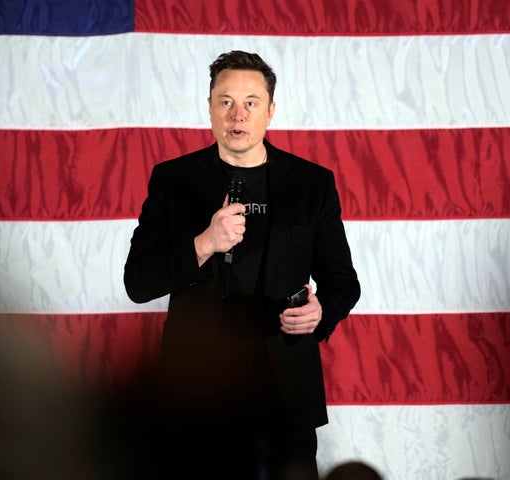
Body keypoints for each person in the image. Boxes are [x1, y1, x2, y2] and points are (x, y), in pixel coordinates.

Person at [123, 50, 360, 480]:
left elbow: (343, 282)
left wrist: (321, 311)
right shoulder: (172, 180)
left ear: (270, 112)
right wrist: (204, 243)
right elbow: (138, 282)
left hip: (284, 390)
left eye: (251, 102)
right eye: (226, 101)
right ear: (210, 108)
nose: (238, 114)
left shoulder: (312, 184)